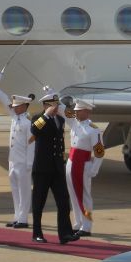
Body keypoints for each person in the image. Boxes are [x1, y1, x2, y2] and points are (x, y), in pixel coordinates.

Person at [29, 89, 79, 244]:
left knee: (63, 200)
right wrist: (45, 115)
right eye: (53, 104)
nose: (56, 107)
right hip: (42, 168)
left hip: (57, 167)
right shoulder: (38, 118)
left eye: (57, 104)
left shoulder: (60, 120)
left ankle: (65, 233)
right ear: (45, 105)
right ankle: (37, 232)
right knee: (39, 201)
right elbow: (34, 130)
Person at [0, 88, 35, 229]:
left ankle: (23, 219)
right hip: (13, 161)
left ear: (24, 106)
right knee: (15, 191)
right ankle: (17, 216)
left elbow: (31, 145)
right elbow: (6, 103)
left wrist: (29, 163)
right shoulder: (15, 118)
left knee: (24, 191)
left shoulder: (28, 123)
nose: (14, 108)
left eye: (17, 106)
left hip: (23, 162)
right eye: (14, 106)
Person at [64, 99, 104, 236]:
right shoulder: (74, 122)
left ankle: (86, 226)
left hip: (83, 166)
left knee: (85, 197)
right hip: (71, 163)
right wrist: (52, 95)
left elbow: (99, 152)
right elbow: (62, 110)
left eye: (78, 110)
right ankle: (78, 223)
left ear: (86, 112)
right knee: (74, 195)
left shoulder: (93, 129)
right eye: (75, 110)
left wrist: (94, 169)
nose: (75, 112)